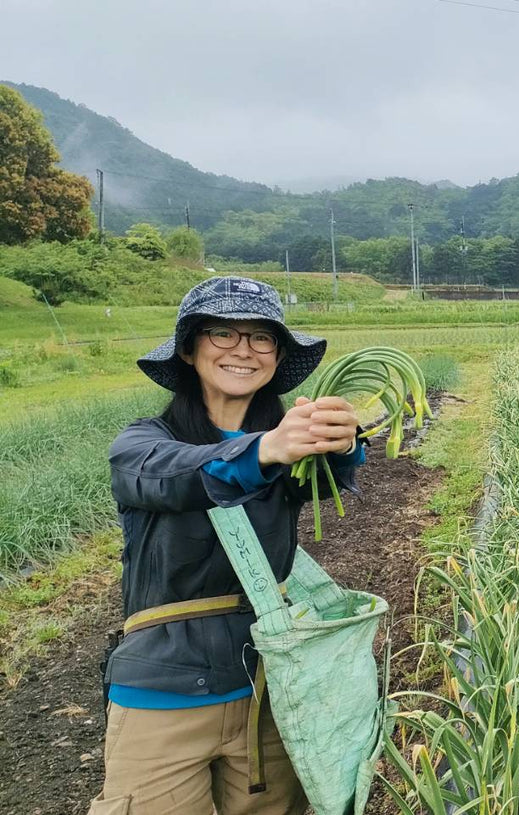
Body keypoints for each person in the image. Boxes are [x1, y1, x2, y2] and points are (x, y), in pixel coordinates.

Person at [88, 276, 365, 815]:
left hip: (269, 691)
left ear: (276, 356)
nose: (242, 349)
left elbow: (335, 468)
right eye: (221, 332)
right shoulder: (142, 445)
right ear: (189, 350)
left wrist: (343, 442)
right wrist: (263, 449)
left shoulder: (292, 455)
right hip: (163, 695)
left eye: (261, 338)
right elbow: (173, 477)